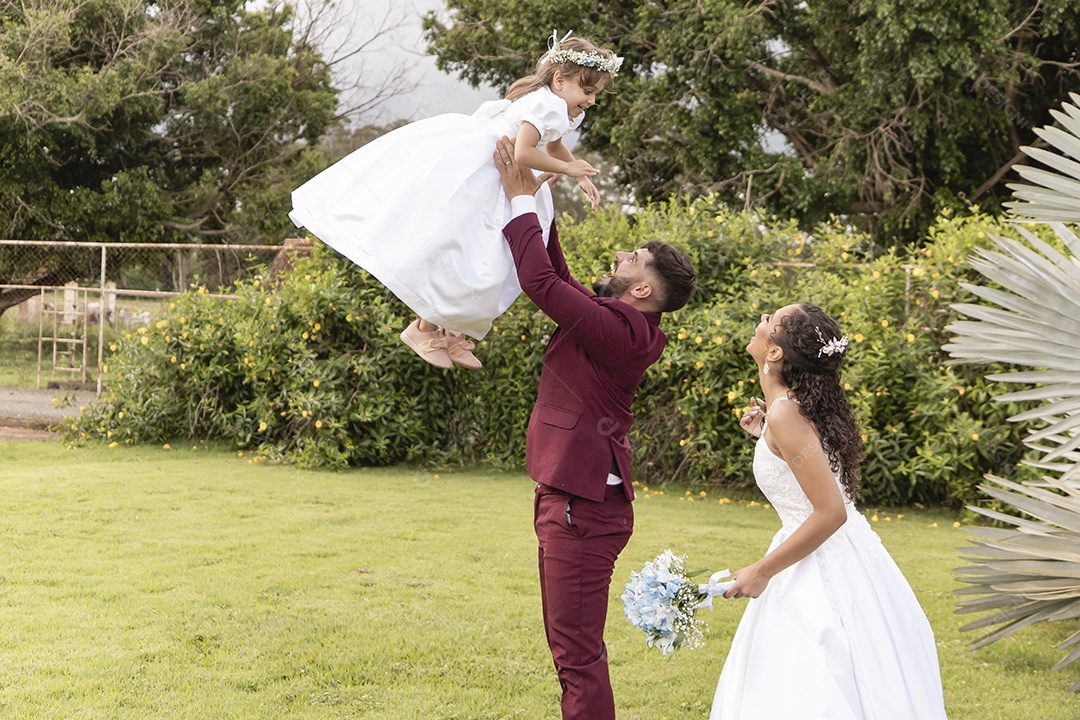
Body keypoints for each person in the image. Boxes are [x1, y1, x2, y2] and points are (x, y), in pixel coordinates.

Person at [494, 136, 696, 720]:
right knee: (572, 650)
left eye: (630, 259)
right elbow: (555, 276)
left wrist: (516, 201)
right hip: (573, 501)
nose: (618, 259)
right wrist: (537, 202)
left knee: (577, 654)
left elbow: (541, 286)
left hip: (583, 510)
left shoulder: (626, 332)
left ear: (642, 290)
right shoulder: (618, 322)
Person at [288, 31, 621, 370]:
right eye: (588, 91)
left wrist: (578, 173)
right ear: (561, 80)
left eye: (596, 94)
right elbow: (523, 152)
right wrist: (566, 167)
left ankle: (451, 330)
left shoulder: (562, 109)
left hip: (501, 180)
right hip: (485, 172)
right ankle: (424, 328)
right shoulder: (545, 102)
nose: (591, 100)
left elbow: (550, 145)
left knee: (490, 260)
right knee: (464, 251)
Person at [710, 303, 948, 719]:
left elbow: (829, 511)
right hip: (839, 553)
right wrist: (766, 437)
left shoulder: (787, 412)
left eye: (771, 320)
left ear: (775, 352)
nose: (761, 320)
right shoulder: (787, 410)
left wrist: (762, 570)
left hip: (821, 562)